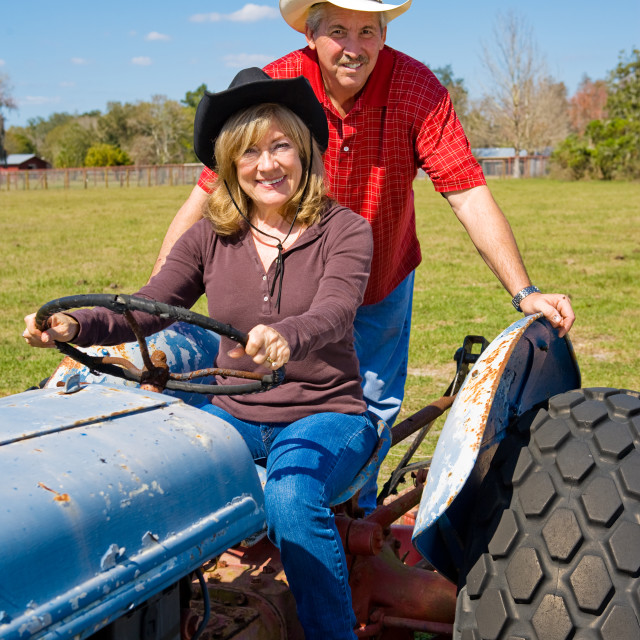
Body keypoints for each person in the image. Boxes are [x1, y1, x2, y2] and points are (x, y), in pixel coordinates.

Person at [151, 0, 576, 509]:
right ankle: (284, 509)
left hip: (379, 282)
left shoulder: (417, 88)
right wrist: (154, 312)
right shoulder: (279, 84)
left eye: (367, 31)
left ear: (383, 33)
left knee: (369, 410)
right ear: (311, 35)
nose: (354, 48)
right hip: (291, 283)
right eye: (338, 31)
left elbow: (467, 191)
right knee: (272, 397)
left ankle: (357, 518)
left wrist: (523, 291)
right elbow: (205, 198)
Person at [24, 67, 378, 639]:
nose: (267, 164)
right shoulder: (212, 235)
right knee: (146, 474)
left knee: (290, 498)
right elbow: (149, 305)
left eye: (281, 145)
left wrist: (289, 335)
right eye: (249, 152)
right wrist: (75, 323)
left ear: (306, 152)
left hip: (324, 413)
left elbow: (336, 310)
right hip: (232, 414)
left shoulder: (345, 230)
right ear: (230, 166)